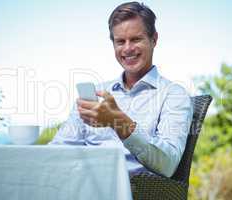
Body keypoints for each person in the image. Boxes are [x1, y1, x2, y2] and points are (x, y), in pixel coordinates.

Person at [50, 1, 193, 177]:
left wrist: (119, 121)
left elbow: (167, 165)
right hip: (82, 185)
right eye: (120, 42)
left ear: (154, 39)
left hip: (134, 190)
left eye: (136, 39)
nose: (127, 48)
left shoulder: (173, 95)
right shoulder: (97, 94)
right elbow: (58, 151)